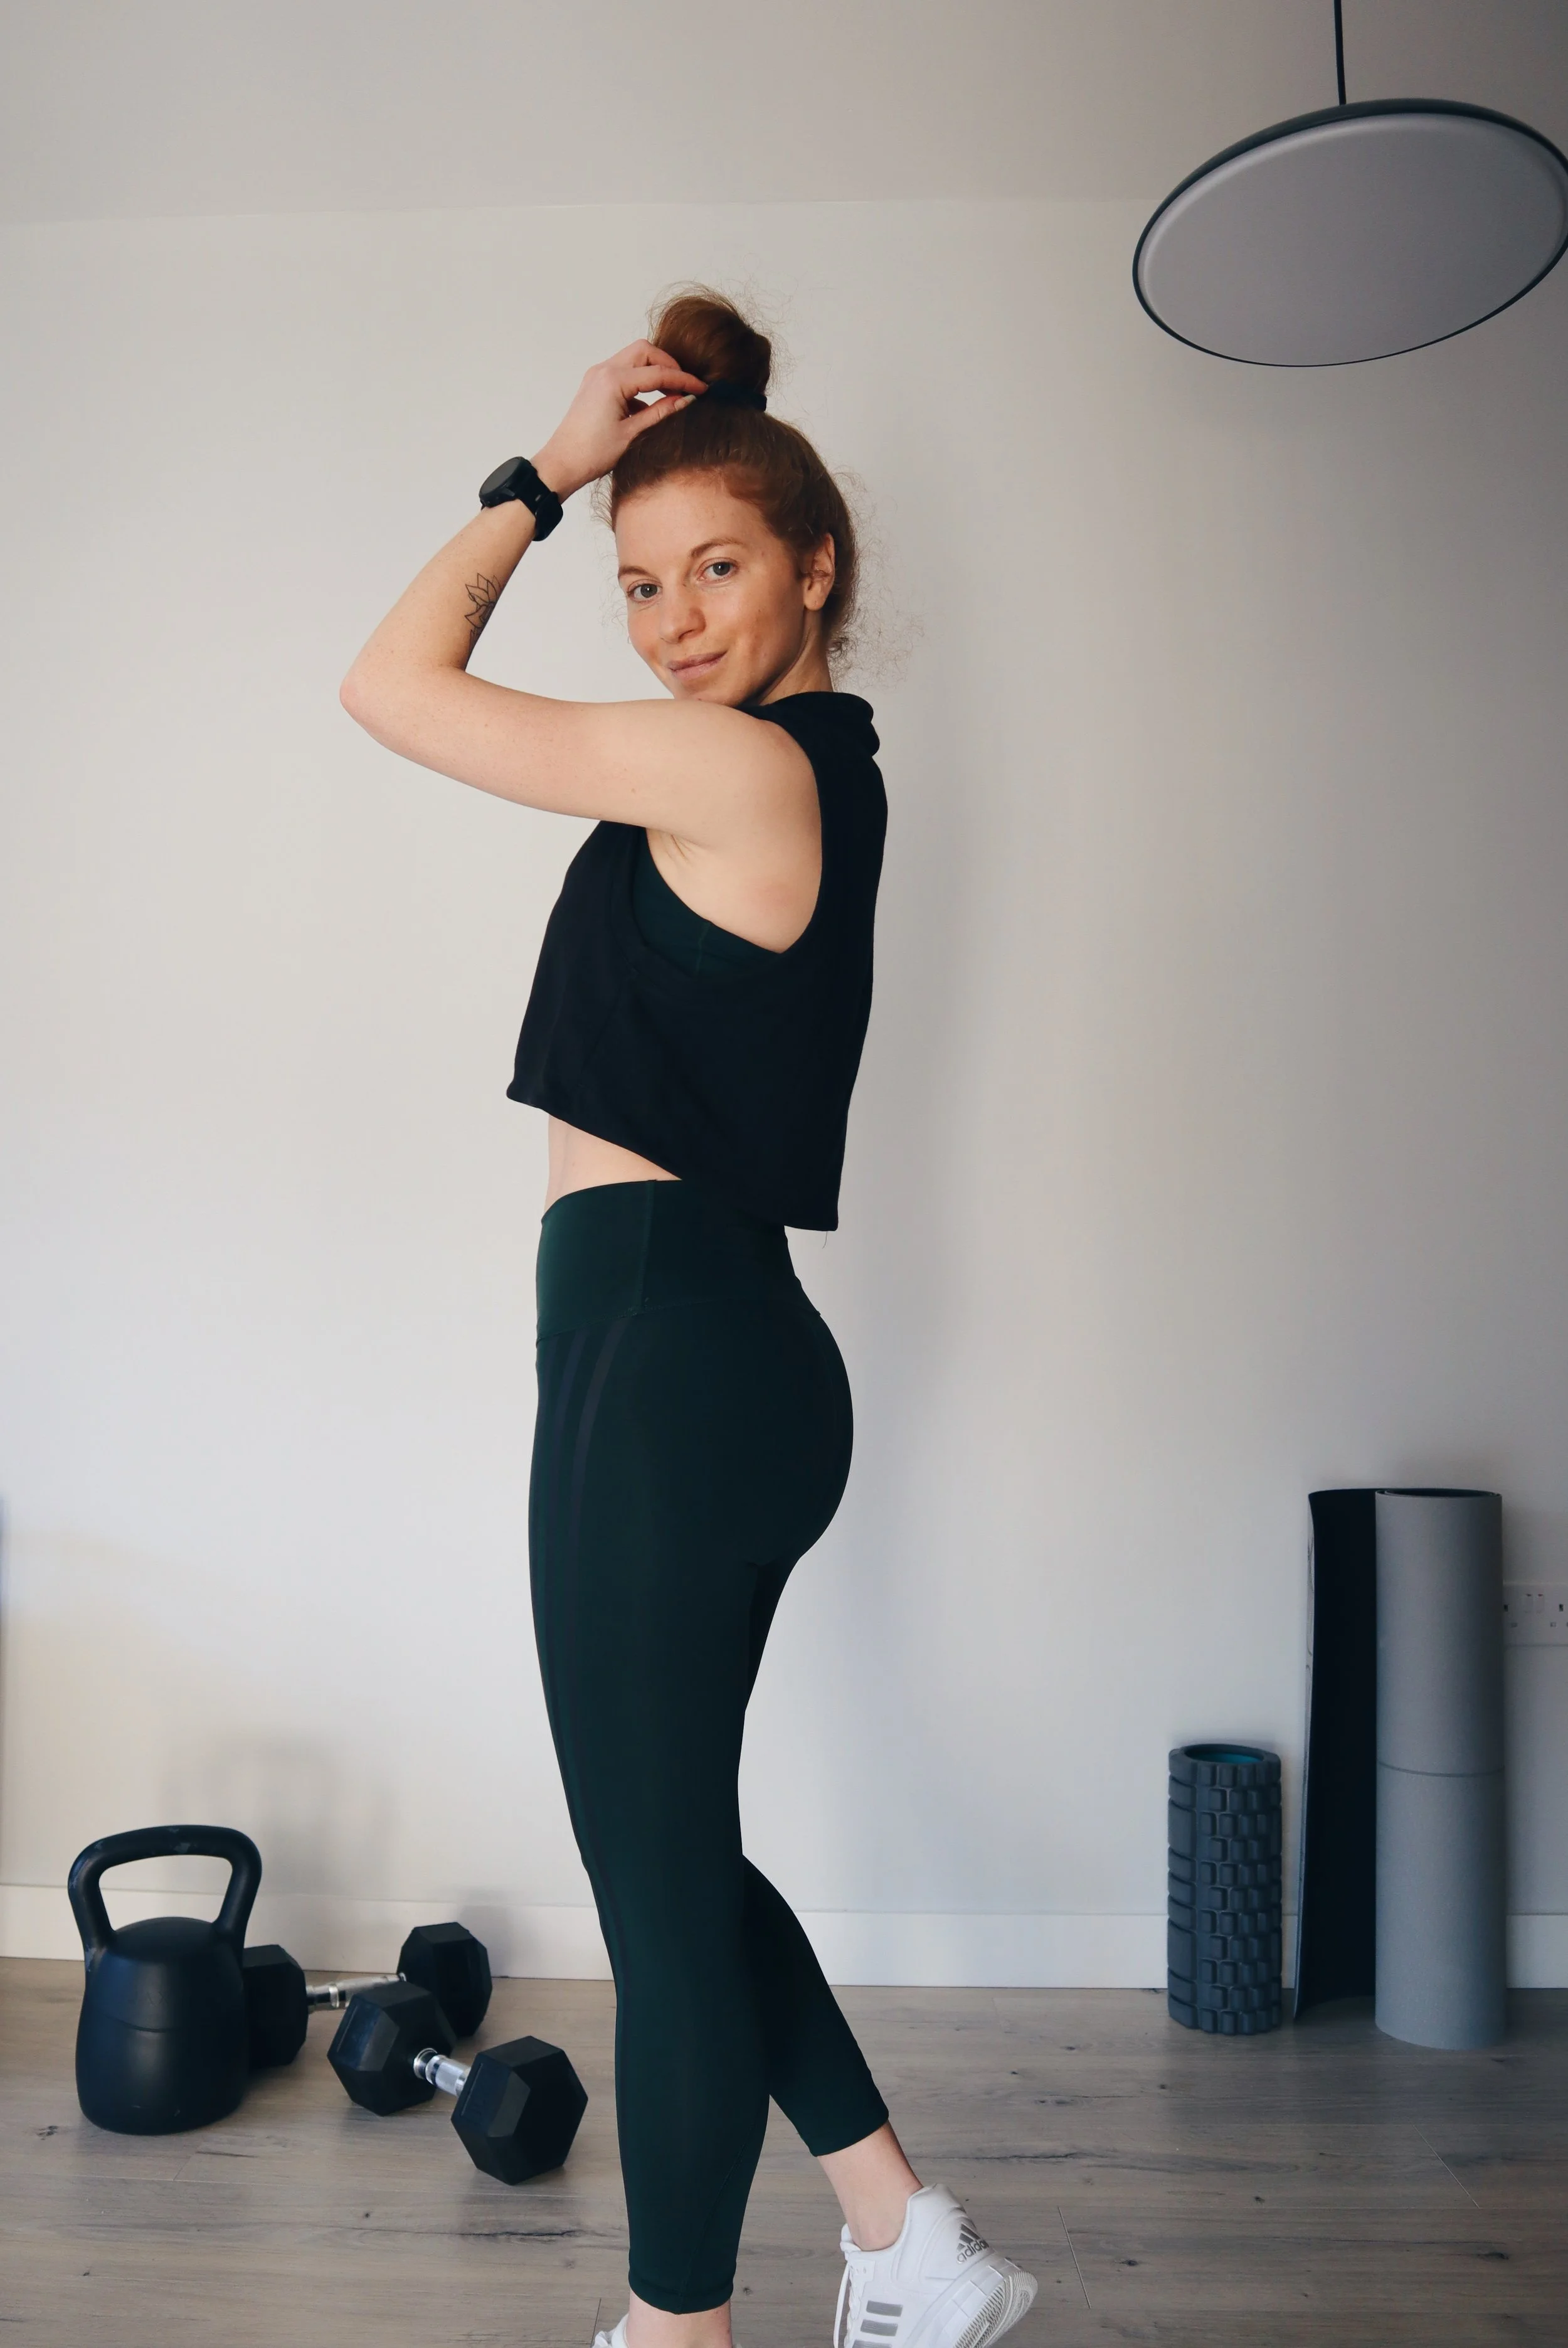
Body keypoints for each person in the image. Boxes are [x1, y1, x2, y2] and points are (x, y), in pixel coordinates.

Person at [339, 289, 1037, 2348]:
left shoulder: (738, 768)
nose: (668, 621)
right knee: (677, 1859)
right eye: (638, 583)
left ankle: (677, 2328)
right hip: (700, 1346)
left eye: (714, 568)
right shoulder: (814, 770)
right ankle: (904, 2239)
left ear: (816, 566)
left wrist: (546, 475)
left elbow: (388, 686)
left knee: (656, 1899)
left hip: (662, 1353)